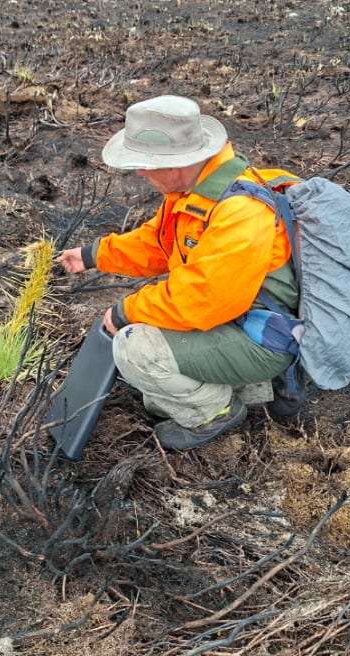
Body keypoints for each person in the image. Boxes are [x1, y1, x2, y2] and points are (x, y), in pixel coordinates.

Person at [57, 95, 304, 451]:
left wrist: (124, 312)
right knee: (152, 392)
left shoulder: (241, 212)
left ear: (175, 163)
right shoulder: (195, 192)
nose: (140, 172)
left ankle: (216, 412)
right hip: (237, 321)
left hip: (261, 336)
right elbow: (158, 244)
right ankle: (255, 391)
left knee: (134, 349)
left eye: (144, 163)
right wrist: (92, 255)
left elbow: (202, 298)